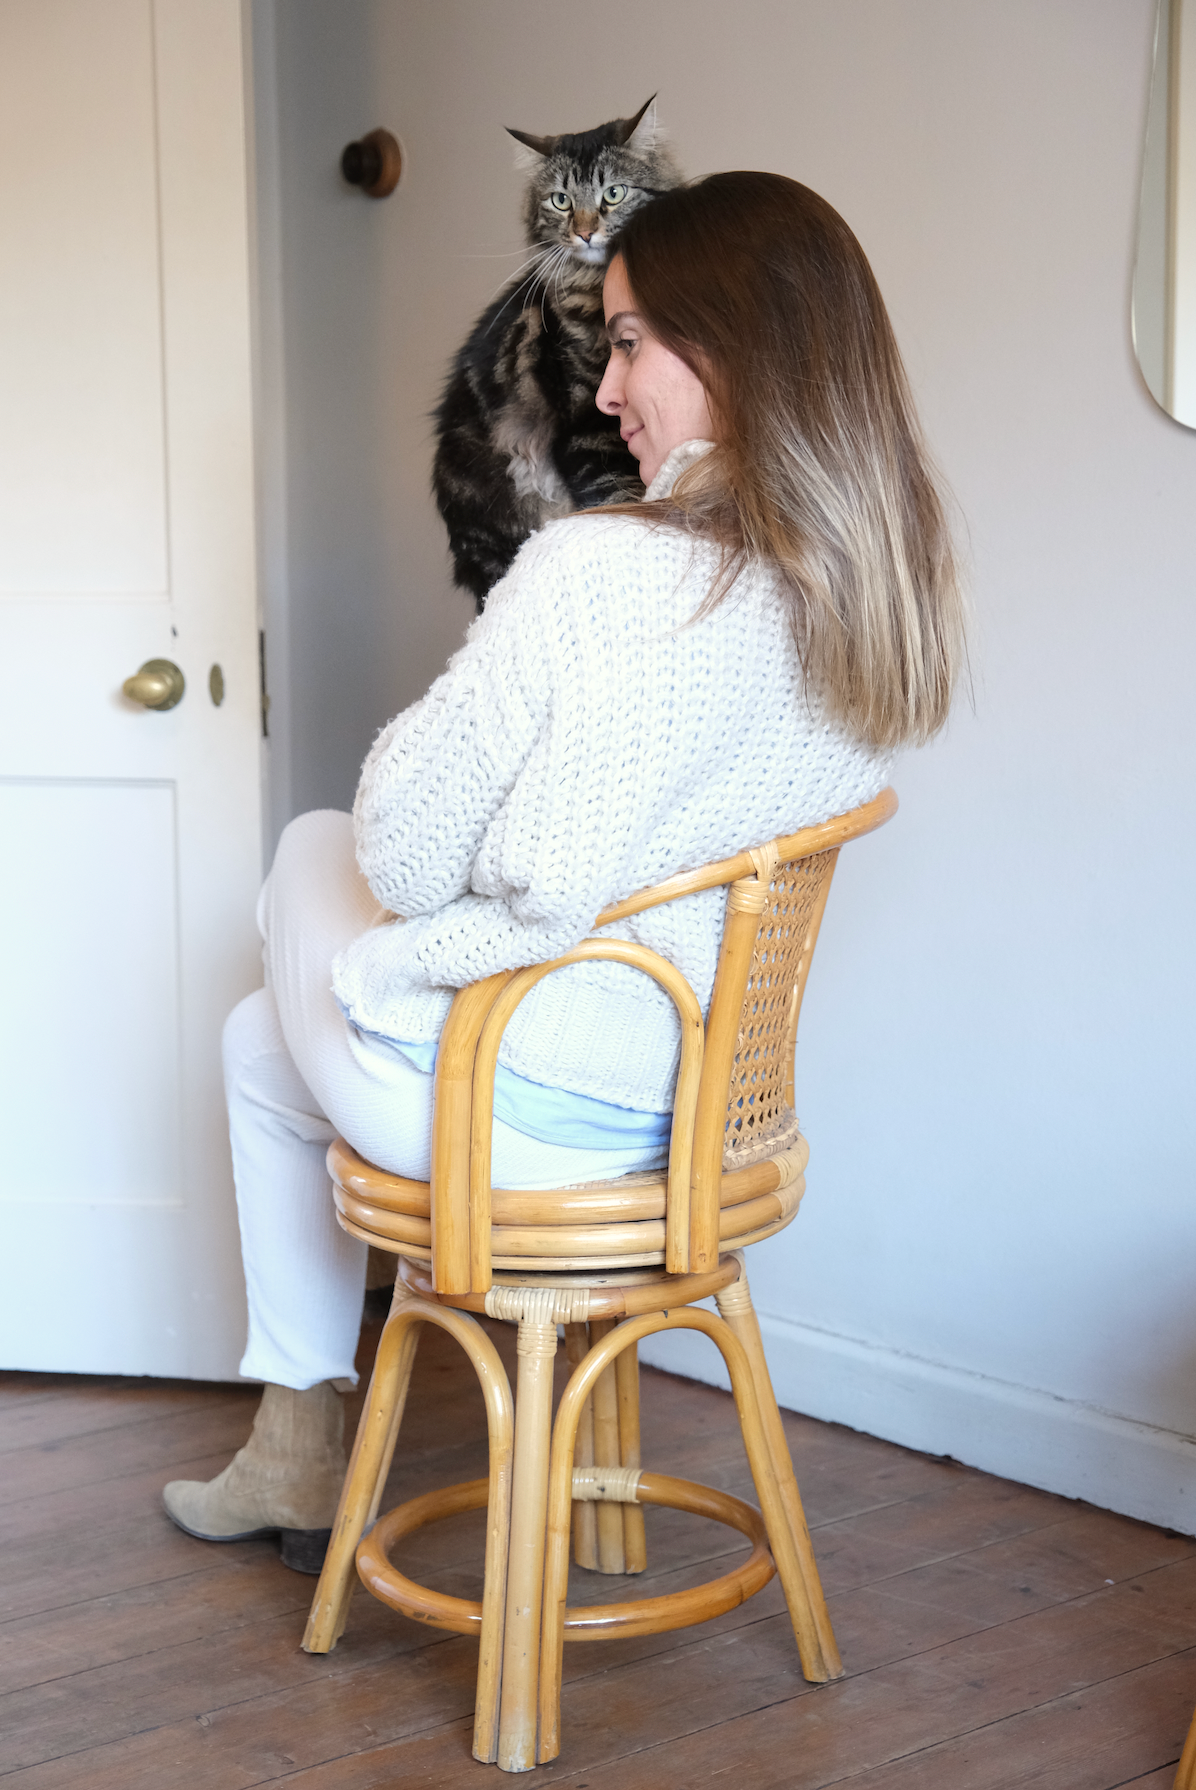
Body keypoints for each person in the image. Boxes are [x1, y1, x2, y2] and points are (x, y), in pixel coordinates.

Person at [162, 171, 965, 1572]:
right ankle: (290, 1437)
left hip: (523, 1116)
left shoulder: (600, 572)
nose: (607, 392)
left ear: (741, 345)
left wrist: (442, 738)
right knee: (255, 1038)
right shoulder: (869, 590)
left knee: (306, 847)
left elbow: (407, 854)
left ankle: (296, 1439)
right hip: (703, 1109)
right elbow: (629, 832)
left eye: (636, 341)